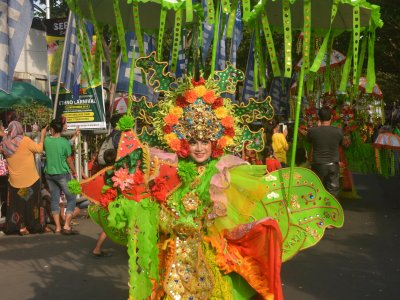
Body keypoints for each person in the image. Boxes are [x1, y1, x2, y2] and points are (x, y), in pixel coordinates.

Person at [79, 74, 343, 299]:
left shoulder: (226, 171)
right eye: (194, 141)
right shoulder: (167, 168)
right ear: (182, 141)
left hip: (209, 254)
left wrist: (258, 218)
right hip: (173, 255)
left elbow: (236, 217)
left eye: (206, 141)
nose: (200, 147)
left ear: (215, 141)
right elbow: (151, 203)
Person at [0, 121, 50, 235]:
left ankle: (21, 227)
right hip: (30, 180)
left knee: (18, 205)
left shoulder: (5, 143)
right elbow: (39, 149)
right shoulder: (25, 140)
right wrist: (42, 135)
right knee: (32, 204)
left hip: (15, 182)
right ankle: (34, 225)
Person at [44, 118, 78, 235]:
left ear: (52, 129)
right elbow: (69, 160)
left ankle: (58, 227)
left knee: (54, 198)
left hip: (49, 174)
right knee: (71, 198)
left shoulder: (47, 141)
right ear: (61, 129)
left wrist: (45, 130)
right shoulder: (64, 142)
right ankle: (67, 225)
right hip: (62, 174)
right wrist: (74, 171)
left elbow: (45, 135)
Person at [307, 106, 343, 197]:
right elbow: (342, 144)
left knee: (317, 192)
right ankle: (332, 210)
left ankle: (319, 210)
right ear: (331, 117)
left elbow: (308, 141)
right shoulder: (338, 131)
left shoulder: (312, 131)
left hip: (318, 165)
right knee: (333, 194)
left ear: (319, 117)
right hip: (333, 166)